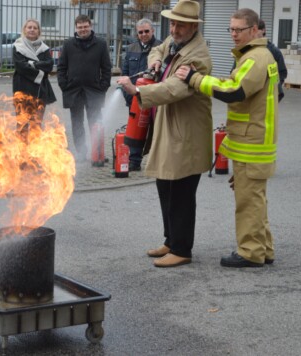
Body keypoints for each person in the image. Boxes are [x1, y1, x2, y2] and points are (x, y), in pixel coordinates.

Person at [176, 8, 278, 268]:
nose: (234, 34)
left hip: (252, 144)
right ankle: (263, 248)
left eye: (239, 30)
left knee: (248, 201)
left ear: (254, 30)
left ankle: (250, 252)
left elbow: (235, 91)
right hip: (254, 141)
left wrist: (195, 79)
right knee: (255, 199)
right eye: (230, 29)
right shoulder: (255, 56)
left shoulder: (255, 58)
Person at [117, 0, 212, 268]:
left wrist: (138, 92)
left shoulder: (199, 56)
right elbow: (157, 49)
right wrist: (157, 60)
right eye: (172, 22)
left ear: (193, 26)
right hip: (170, 130)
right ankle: (171, 240)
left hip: (186, 135)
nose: (174, 28)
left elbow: (175, 89)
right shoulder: (175, 41)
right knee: (165, 185)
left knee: (181, 191)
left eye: (180, 24)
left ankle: (182, 249)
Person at [57, 14, 112, 162]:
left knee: (96, 122)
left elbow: (106, 68)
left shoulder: (100, 44)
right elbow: (61, 67)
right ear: (76, 28)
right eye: (80, 27)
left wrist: (103, 86)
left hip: (94, 91)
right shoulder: (68, 44)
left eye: (85, 26)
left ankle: (98, 154)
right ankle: (81, 153)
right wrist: (64, 85)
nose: (83, 30)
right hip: (73, 91)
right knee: (77, 123)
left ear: (90, 26)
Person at [122, 18, 162, 171]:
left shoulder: (160, 47)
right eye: (140, 32)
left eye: (146, 31)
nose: (144, 34)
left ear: (152, 31)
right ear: (137, 34)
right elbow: (125, 72)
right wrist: (128, 94)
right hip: (134, 98)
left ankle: (157, 161)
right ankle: (134, 161)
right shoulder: (131, 48)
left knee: (157, 129)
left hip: (155, 97)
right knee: (135, 129)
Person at [12, 19, 56, 137]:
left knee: (36, 125)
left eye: (35, 28)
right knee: (22, 125)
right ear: (24, 30)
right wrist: (39, 67)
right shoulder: (18, 46)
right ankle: (22, 154)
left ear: (38, 31)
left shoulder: (44, 48)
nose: (32, 30)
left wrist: (31, 64)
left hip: (40, 91)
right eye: (29, 27)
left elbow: (49, 65)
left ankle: (35, 153)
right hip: (22, 89)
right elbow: (21, 67)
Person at [258, 19, 287, 102]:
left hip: (268, 98)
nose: (254, 33)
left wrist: (274, 86)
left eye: (257, 30)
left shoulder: (274, 51)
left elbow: (282, 72)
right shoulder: (246, 50)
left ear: (263, 30)